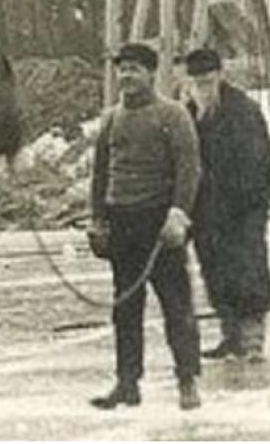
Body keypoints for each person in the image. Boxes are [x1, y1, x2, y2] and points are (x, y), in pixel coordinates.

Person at [88, 42, 202, 411]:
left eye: (135, 69)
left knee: (176, 304)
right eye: (122, 69)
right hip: (122, 223)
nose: (126, 76)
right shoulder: (110, 119)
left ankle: (187, 380)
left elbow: (189, 169)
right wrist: (98, 220)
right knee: (125, 306)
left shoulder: (172, 115)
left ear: (152, 73)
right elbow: (100, 174)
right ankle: (127, 383)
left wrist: (178, 214)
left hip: (159, 223)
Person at [182, 48, 270, 362]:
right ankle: (230, 337)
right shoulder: (189, 113)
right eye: (197, 80)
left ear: (220, 75)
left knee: (247, 273)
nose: (202, 86)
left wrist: (248, 204)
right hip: (206, 213)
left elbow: (258, 162)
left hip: (241, 212)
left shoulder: (243, 110)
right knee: (215, 273)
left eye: (207, 79)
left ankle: (251, 342)